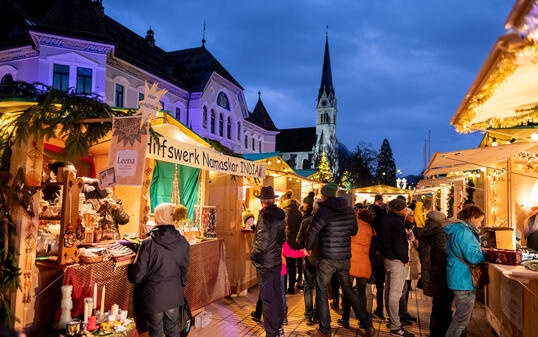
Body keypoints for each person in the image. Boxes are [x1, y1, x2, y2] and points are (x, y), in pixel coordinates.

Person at [305, 183, 373, 337]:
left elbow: (312, 231)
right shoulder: (349, 210)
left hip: (328, 257)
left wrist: (308, 248)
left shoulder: (324, 211)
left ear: (324, 196)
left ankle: (325, 329)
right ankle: (368, 325)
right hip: (344, 257)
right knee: (349, 290)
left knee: (322, 290)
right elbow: (354, 230)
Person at [132, 203, 190, 337]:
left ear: (158, 219)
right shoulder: (183, 242)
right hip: (174, 294)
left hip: (154, 296)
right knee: (173, 330)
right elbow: (184, 272)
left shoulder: (147, 243)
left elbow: (138, 276)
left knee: (156, 331)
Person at [445, 205, 486, 337]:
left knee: (461, 318)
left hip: (459, 276)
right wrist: (487, 255)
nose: (480, 224)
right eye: (479, 220)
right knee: (461, 320)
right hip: (463, 279)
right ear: (472, 218)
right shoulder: (464, 232)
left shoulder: (458, 229)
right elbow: (472, 257)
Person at [251, 186, 286, 337]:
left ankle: (271, 332)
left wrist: (253, 255)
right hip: (276, 260)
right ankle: (277, 326)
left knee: (267, 298)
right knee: (276, 295)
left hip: (265, 262)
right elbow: (282, 239)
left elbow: (262, 244)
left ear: (263, 201)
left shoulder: (265, 216)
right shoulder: (280, 215)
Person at [380, 198, 414, 337]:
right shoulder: (397, 222)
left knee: (388, 291)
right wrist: (405, 259)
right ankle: (395, 327)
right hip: (396, 260)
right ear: (399, 209)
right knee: (395, 294)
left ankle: (390, 319)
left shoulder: (385, 219)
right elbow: (398, 244)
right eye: (405, 207)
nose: (406, 210)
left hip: (387, 259)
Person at [418, 211, 454, 337]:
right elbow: (445, 252)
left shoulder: (425, 233)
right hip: (441, 273)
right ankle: (443, 332)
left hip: (431, 272)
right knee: (444, 305)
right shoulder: (439, 234)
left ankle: (435, 331)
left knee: (437, 304)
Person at [339, 208, 374, 329]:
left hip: (351, 262)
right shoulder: (371, 229)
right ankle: (362, 320)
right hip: (364, 263)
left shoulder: (353, 226)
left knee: (347, 291)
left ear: (359, 216)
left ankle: (345, 319)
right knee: (361, 292)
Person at [296, 198, 322, 326]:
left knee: (308, 287)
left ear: (313, 208)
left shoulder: (306, 222)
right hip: (324, 261)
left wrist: (305, 249)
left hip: (309, 259)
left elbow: (298, 240)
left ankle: (308, 316)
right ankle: (317, 315)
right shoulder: (327, 223)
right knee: (320, 288)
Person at [368, 194, 387, 320]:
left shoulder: (366, 228)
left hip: (370, 255)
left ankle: (367, 312)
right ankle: (379, 309)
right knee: (380, 285)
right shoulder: (385, 218)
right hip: (380, 254)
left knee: (368, 285)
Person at [280, 190, 303, 294]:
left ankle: (283, 289)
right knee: (293, 266)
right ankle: (291, 289)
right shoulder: (299, 214)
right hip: (295, 244)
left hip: (285, 243)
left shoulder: (284, 213)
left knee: (284, 266)